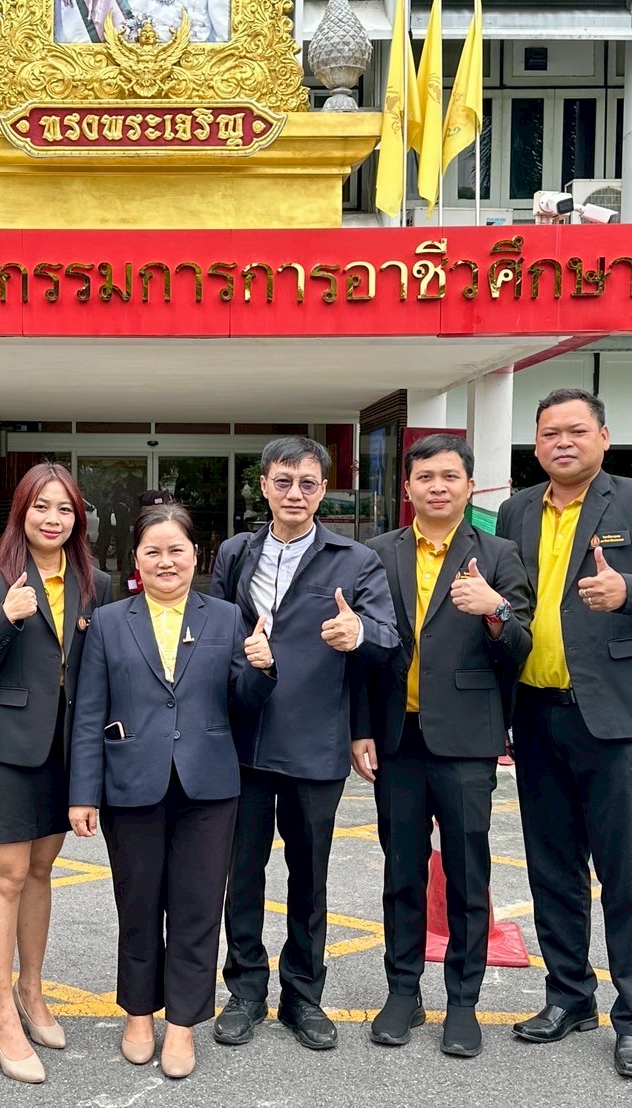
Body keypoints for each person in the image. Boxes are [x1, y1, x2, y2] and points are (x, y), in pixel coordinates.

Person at [496, 388, 632, 1081]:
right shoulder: (517, 510)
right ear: (535, 444)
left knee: (622, 875)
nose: (563, 442)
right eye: (549, 433)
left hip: (612, 718)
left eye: (576, 431)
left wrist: (628, 592)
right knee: (551, 870)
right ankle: (568, 997)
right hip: (535, 712)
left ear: (603, 438)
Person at [68, 503, 274, 1079]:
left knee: (197, 908)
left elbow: (243, 701)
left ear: (195, 555)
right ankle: (139, 1014)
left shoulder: (226, 618)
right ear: (135, 559)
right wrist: (83, 793)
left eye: (176, 550)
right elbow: (89, 713)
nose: (166, 561)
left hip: (209, 786)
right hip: (131, 782)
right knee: (137, 906)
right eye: (153, 551)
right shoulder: (109, 621)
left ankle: (182, 1024)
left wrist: (261, 668)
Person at [210, 436, 398, 1051]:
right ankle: (244, 991)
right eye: (284, 481)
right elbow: (214, 632)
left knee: (309, 876)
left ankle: (303, 995)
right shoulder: (236, 553)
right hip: (241, 739)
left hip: (315, 740)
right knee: (241, 873)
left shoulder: (355, 559)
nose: (295, 493)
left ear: (323, 492)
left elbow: (388, 638)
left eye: (308, 483)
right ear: (264, 485)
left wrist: (357, 632)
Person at [351, 434, 534, 1058]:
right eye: (425, 476)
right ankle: (402, 992)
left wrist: (495, 610)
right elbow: (364, 654)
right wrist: (361, 728)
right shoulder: (377, 554)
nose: (437, 486)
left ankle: (463, 1002)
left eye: (450, 476)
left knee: (466, 874)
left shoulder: (499, 554)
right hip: (397, 740)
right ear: (407, 487)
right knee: (401, 872)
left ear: (469, 486)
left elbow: (521, 646)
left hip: (466, 740)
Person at [0, 463, 110, 1084]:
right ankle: (1, 1013)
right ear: (21, 512)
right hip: (4, 746)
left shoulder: (95, 582)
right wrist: (6, 616)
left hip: (66, 749)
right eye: (41, 507)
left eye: (65, 509)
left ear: (79, 519)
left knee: (42, 870)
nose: (53, 519)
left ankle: (32, 989)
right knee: (8, 874)